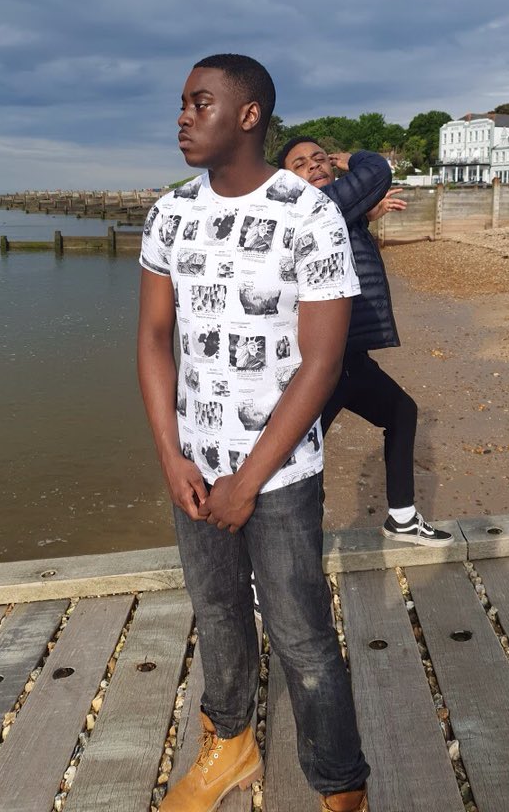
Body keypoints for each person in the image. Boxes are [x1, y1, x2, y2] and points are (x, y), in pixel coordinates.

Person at [137, 56, 370, 812]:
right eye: (181, 103)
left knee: (302, 636)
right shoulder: (170, 213)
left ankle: (340, 786)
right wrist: (171, 456)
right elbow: (154, 339)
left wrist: (249, 480)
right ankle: (231, 745)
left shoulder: (308, 215)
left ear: (248, 115)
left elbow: (322, 362)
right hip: (195, 468)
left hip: (281, 474)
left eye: (199, 102)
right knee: (217, 613)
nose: (182, 116)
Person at [277, 137, 453, 546]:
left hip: (349, 358)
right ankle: (285, 549)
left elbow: (340, 247)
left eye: (320, 159)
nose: (315, 165)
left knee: (400, 412)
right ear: (285, 181)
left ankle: (401, 518)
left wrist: (364, 216)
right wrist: (350, 158)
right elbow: (376, 171)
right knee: (298, 455)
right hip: (320, 364)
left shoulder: (332, 212)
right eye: (300, 164)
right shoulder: (309, 206)